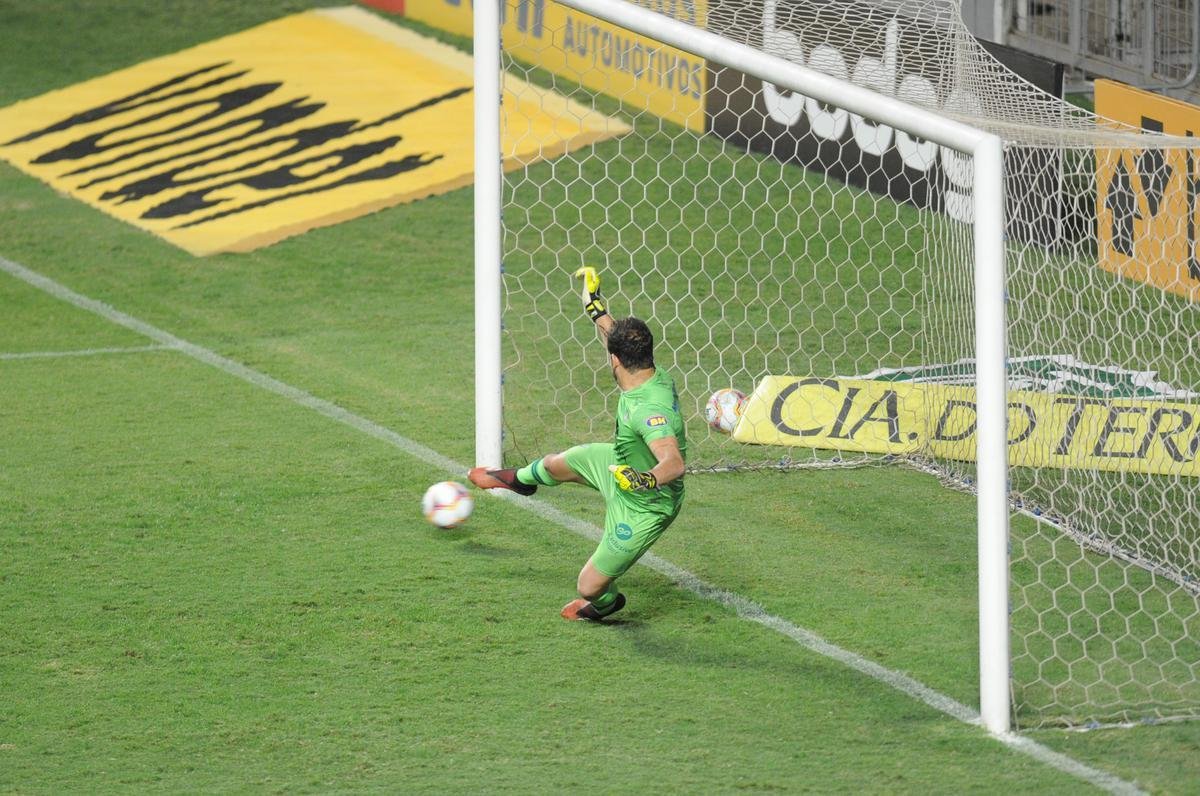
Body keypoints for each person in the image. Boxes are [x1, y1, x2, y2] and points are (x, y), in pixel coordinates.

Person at [469, 266, 687, 621]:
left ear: (615, 361)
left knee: (588, 584)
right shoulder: (648, 372)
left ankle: (605, 604)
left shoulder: (649, 410)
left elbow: (674, 463)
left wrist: (644, 480)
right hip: (617, 465)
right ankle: (519, 481)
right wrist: (595, 306)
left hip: (647, 503)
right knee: (560, 462)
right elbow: (614, 338)